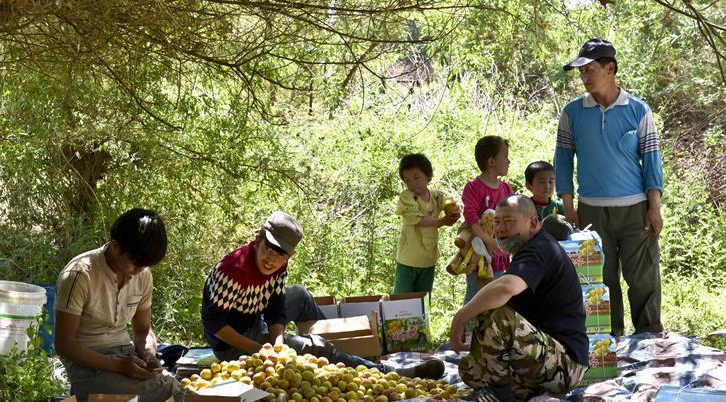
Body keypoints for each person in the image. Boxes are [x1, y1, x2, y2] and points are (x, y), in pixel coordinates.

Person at [202, 210, 444, 379]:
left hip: (256, 319)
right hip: (233, 342)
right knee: (317, 347)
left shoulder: (278, 266)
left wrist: (277, 340)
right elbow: (214, 324)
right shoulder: (233, 270)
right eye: (268, 249)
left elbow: (276, 305)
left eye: (280, 254)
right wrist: (259, 349)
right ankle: (381, 370)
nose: (271, 259)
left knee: (299, 294)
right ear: (257, 241)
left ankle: (343, 350)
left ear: (289, 256)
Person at [554, 38, 664, 336]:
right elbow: (563, 160)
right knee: (600, 281)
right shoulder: (573, 112)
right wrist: (568, 207)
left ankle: (649, 338)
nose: (585, 77)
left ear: (610, 68)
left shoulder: (638, 110)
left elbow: (652, 161)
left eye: (590, 69)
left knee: (643, 278)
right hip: (591, 210)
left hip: (635, 211)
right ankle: (608, 340)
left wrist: (654, 207)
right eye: (581, 72)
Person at [448, 195, 588, 402]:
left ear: (532, 222)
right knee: (469, 368)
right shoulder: (525, 250)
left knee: (497, 315)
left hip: (565, 364)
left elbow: (506, 287)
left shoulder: (539, 249)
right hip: (539, 354)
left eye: (509, 222)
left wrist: (460, 317)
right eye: (497, 222)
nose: (501, 229)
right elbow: (499, 287)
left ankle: (501, 394)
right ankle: (523, 390)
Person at [54, 208, 183, 402]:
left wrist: (149, 355)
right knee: (170, 393)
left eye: (146, 265)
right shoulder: (79, 275)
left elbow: (142, 330)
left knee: (171, 386)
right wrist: (118, 366)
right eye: (136, 263)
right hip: (87, 368)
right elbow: (64, 345)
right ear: (115, 246)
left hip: (127, 357)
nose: (141, 270)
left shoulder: (143, 275)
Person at [394, 153, 460, 294]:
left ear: (429, 175)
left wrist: (453, 213)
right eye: (407, 180)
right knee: (401, 300)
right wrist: (443, 221)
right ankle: (400, 318)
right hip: (408, 258)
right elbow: (419, 220)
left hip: (428, 259)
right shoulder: (406, 197)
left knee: (423, 300)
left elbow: (450, 205)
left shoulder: (437, 196)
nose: (412, 184)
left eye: (416, 178)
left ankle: (422, 318)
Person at [460, 135, 513, 304]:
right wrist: (488, 240)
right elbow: (471, 218)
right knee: (476, 298)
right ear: (491, 161)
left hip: (501, 256)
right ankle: (466, 329)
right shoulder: (473, 187)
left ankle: (491, 331)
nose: (508, 161)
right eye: (505, 156)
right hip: (479, 257)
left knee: (496, 299)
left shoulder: (506, 188)